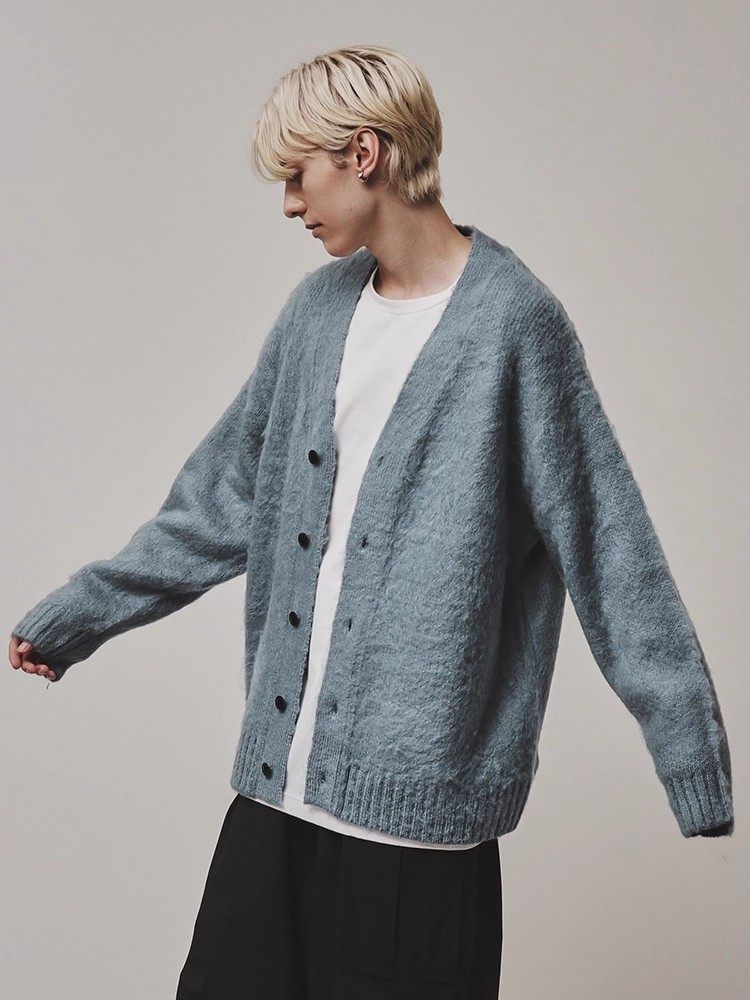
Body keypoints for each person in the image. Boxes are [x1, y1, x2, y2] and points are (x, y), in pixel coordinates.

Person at [9, 44, 733, 1000]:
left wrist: (690, 755)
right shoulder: (317, 314)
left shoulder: (515, 327)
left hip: (417, 842)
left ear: (364, 154)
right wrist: (83, 614)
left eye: (296, 176)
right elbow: (220, 502)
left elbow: (610, 548)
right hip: (277, 798)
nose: (287, 205)